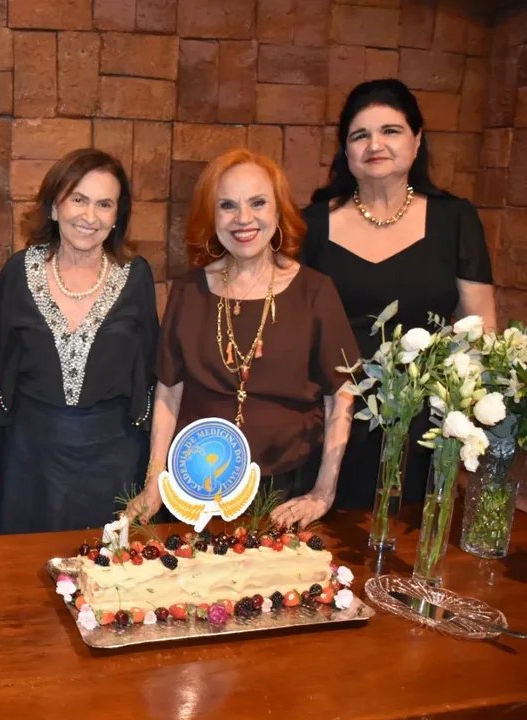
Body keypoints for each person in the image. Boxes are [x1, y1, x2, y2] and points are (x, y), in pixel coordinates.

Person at [128, 149, 359, 530]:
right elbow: (169, 392)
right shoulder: (188, 291)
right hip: (192, 493)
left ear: (279, 210)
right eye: (228, 205)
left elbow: (341, 395)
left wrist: (323, 491)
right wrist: (154, 483)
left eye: (257, 202)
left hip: (284, 493)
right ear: (212, 216)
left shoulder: (315, 291)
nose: (243, 218)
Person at [302, 79, 496, 509]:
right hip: (326, 423)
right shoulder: (310, 225)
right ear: (345, 150)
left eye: (390, 130)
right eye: (360, 134)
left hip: (423, 429)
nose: (375, 144)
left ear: (417, 139)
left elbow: (479, 336)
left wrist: (463, 425)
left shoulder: (455, 220)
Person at [0, 149, 159, 534]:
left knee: (111, 569)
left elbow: (152, 376)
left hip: (115, 466)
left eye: (104, 204)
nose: (90, 216)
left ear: (117, 216)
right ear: (53, 206)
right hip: (29, 464)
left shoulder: (136, 277)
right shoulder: (18, 273)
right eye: (78, 199)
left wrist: (153, 475)